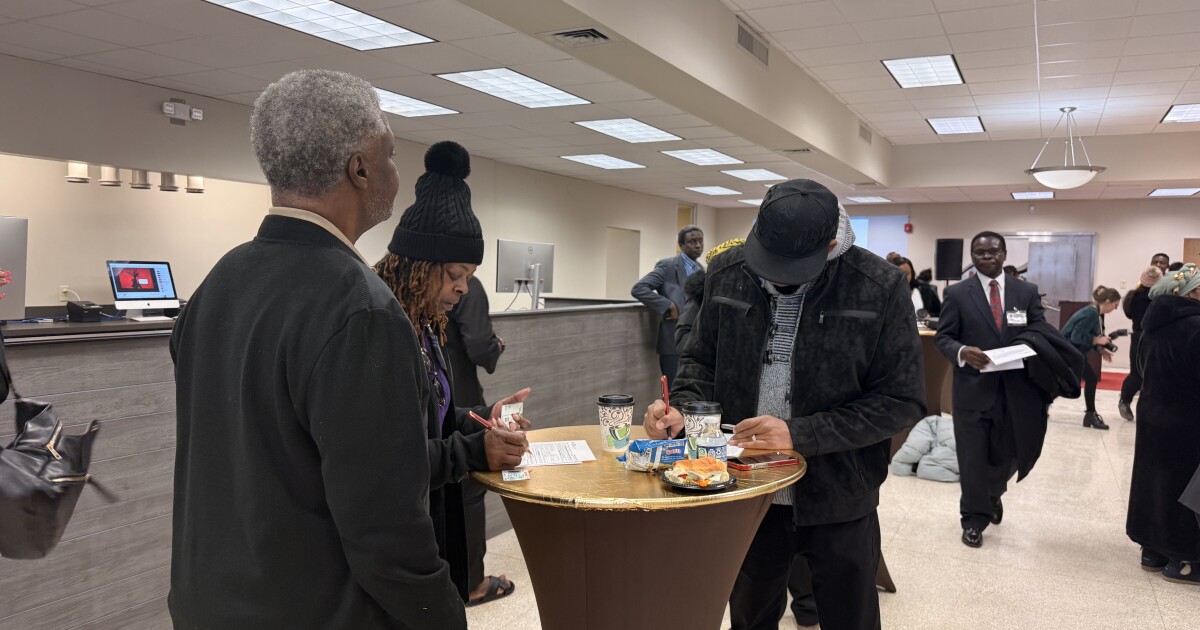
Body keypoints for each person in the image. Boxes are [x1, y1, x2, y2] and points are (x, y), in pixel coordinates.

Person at [169, 70, 467, 628]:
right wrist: (444, 615)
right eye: (393, 155)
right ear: (360, 168)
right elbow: (386, 527)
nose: (397, 175)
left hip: (209, 604)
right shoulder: (362, 310)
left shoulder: (217, 284)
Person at [644, 179, 926, 630]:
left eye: (789, 268)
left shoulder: (879, 286)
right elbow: (698, 361)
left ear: (830, 244)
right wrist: (684, 408)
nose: (772, 276)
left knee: (850, 618)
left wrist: (801, 433)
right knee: (750, 617)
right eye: (766, 261)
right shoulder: (728, 270)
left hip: (839, 494)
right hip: (745, 488)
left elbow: (901, 401)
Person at [375, 140, 532, 605]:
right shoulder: (383, 330)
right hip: (395, 540)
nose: (463, 289)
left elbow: (435, 418)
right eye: (455, 275)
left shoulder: (428, 325)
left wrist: (485, 416)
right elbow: (392, 457)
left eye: (469, 277)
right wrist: (474, 449)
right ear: (419, 267)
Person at [935, 231, 1081, 549]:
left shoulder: (1025, 291)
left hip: (1016, 390)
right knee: (972, 458)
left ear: (1004, 254)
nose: (986, 257)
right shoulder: (958, 294)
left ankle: (992, 493)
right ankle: (974, 519)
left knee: (1007, 453)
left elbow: (1039, 329)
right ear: (972, 257)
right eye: (979, 253)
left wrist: (1027, 345)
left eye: (992, 252)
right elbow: (943, 337)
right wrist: (962, 352)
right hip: (973, 390)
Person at [1126, 263, 1200, 584]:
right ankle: (1179, 552)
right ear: (1191, 292)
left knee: (1150, 476)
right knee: (1181, 484)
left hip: (1152, 411)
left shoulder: (1150, 325)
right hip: (1188, 417)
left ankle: (1150, 548)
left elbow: (1141, 370)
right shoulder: (1196, 326)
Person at [445, 274, 512, 606]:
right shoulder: (468, 286)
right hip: (459, 395)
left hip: (437, 398)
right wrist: (496, 345)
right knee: (469, 491)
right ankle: (471, 583)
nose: (459, 286)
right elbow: (480, 349)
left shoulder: (393, 285)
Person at [631, 224, 704, 388]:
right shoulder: (668, 266)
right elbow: (639, 289)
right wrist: (667, 304)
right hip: (672, 341)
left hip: (694, 342)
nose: (698, 245)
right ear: (682, 245)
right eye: (692, 241)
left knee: (692, 389)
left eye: (700, 241)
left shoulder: (701, 269)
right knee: (672, 390)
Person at [1061, 286, 1122, 430]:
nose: (1115, 308)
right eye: (1115, 305)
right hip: (1071, 351)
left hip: (1072, 351)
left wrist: (1100, 349)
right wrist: (1097, 341)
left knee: (1071, 381)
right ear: (1107, 302)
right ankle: (1090, 414)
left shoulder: (1094, 312)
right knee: (1082, 380)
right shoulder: (1092, 314)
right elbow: (1077, 337)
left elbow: (1085, 334)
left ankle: (1089, 414)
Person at [1118, 255, 1168, 421]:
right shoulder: (1161, 297)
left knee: (1141, 374)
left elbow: (1129, 313)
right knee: (1143, 374)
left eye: (1162, 262)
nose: (1159, 265)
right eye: (1156, 262)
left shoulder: (1135, 295)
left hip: (1142, 337)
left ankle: (1128, 401)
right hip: (1150, 338)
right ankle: (1130, 402)